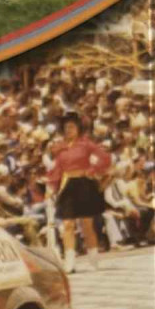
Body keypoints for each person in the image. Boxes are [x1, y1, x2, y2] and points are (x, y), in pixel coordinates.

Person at [46, 113, 112, 273]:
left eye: (71, 127)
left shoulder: (86, 144)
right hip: (67, 186)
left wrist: (93, 170)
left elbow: (105, 158)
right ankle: (70, 262)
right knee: (67, 225)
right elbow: (57, 169)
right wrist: (52, 187)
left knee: (87, 225)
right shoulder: (60, 148)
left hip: (84, 186)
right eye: (65, 127)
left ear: (78, 128)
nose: (68, 130)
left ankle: (93, 260)